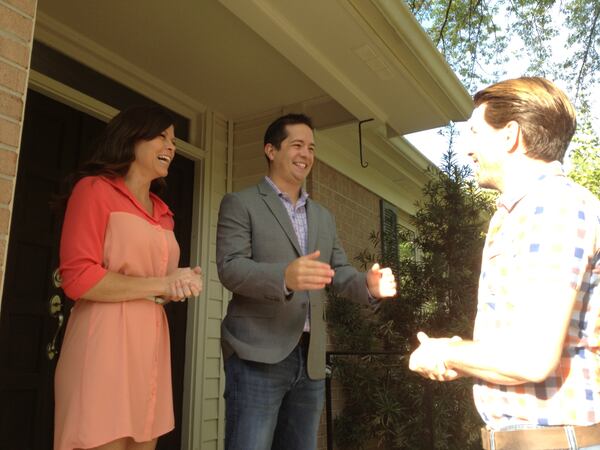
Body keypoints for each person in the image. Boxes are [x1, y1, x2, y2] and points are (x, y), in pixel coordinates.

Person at [409, 77, 600, 450]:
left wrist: (445, 352)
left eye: (476, 132)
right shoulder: (526, 212)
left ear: (510, 135)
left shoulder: (552, 209)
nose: (468, 150)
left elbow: (530, 357)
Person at [216, 113, 397, 450]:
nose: (306, 154)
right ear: (271, 150)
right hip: (257, 355)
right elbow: (230, 267)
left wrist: (367, 285)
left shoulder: (323, 216)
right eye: (297, 145)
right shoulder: (241, 203)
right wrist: (283, 277)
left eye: (311, 147)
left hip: (311, 359)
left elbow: (337, 271)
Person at [54, 106, 202, 450]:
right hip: (103, 339)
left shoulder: (164, 213)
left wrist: (178, 284)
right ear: (132, 137)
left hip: (151, 343)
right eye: (162, 136)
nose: (172, 146)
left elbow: (158, 286)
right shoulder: (93, 190)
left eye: (175, 140)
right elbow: (78, 278)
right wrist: (161, 284)